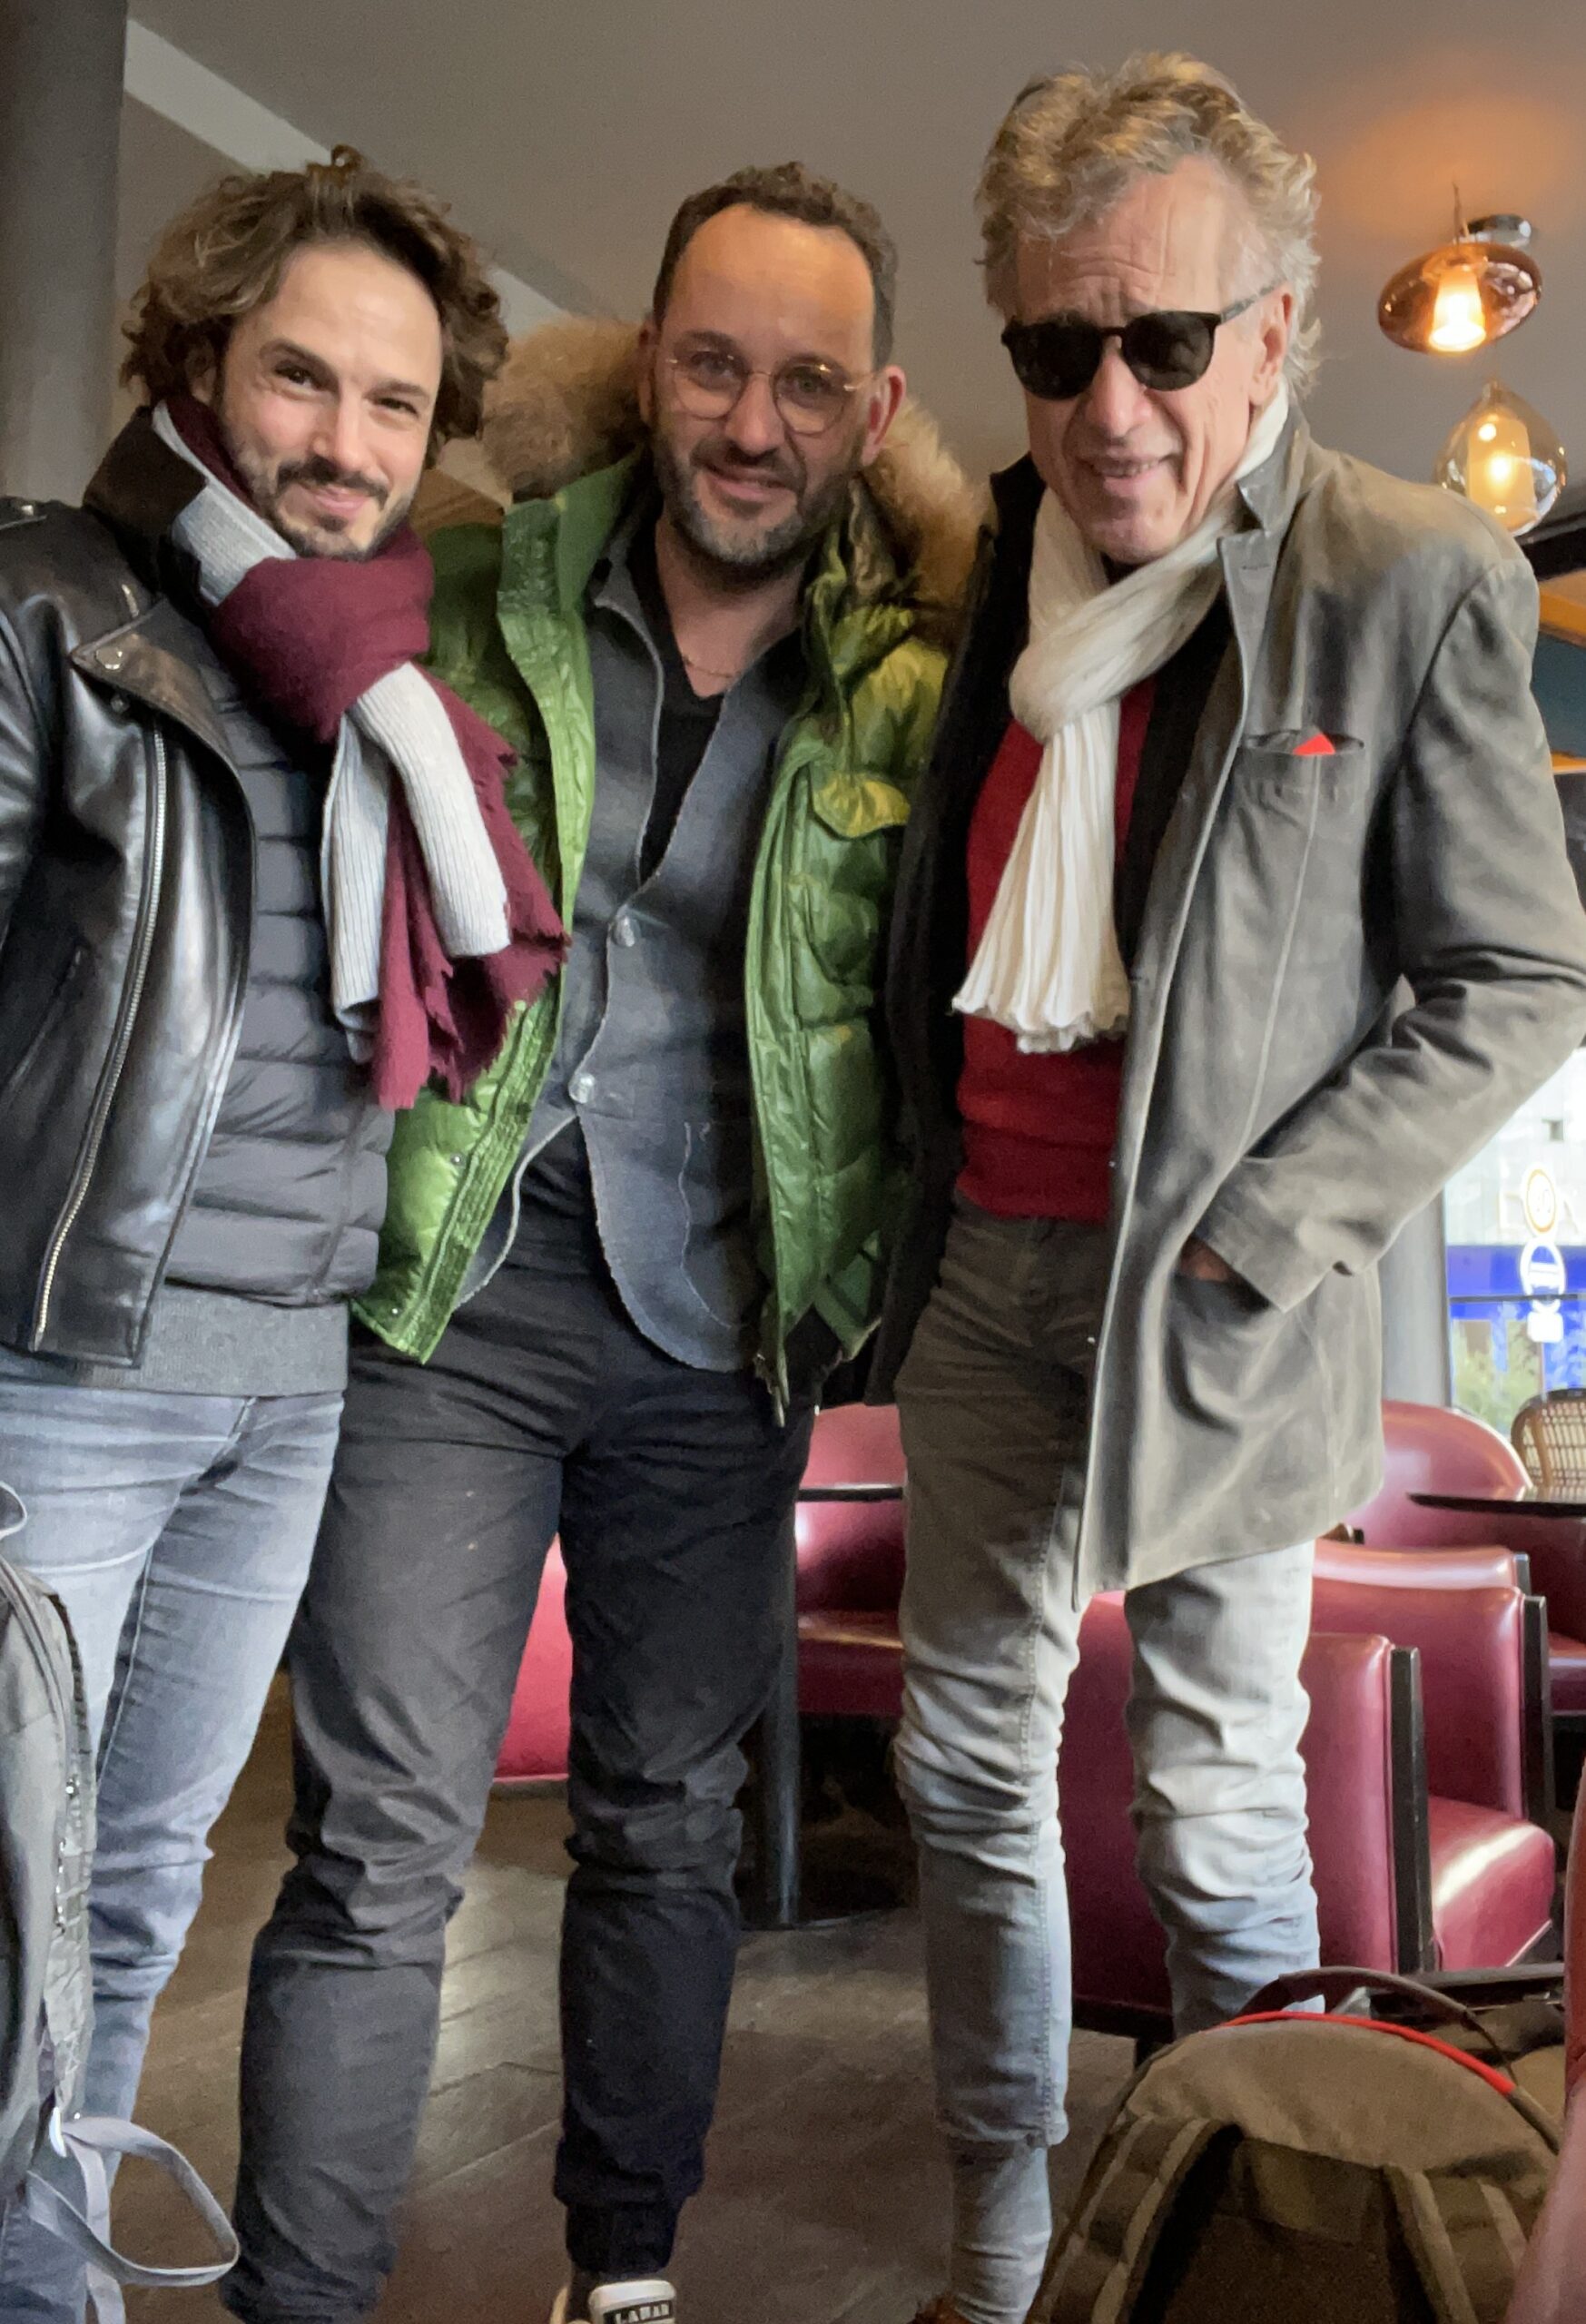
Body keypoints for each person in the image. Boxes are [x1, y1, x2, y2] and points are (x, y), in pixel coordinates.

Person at [868, 53, 1586, 2324]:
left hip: (1227, 1296)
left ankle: (1251, 2252)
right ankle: (1010, 2259)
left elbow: (1518, 972)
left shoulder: (1407, 570)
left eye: (1166, 341)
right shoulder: (983, 573)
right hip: (987, 1269)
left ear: (1273, 329)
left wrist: (1272, 1232)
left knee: (1214, 1800)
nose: (1111, 406)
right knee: (964, 1766)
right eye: (1056, 344)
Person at [223, 163, 977, 2324]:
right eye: (714, 365)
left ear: (874, 411)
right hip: (447, 1292)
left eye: (807, 383)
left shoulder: (917, 684)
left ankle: (623, 2271)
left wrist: (871, 1283)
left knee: (665, 1815)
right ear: (648, 366)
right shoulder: (474, 574)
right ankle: (297, 2299)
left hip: (720, 1326)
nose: (752, 422)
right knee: (378, 1838)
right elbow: (248, 592)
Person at [0, 146, 561, 2321]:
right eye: (301, 378)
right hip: (66, 1363)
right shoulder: (51, 601)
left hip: (288, 1378)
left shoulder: (382, 679)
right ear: (199, 365)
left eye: (394, 401)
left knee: (139, 1891)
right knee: (13, 1915)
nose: (345, 439)